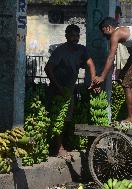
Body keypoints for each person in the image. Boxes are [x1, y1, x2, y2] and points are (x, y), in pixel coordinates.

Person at [90, 17, 132, 127]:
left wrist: (102, 76)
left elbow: (111, 57)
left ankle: (130, 118)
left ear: (108, 28)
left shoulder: (116, 33)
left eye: (104, 32)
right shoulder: (127, 33)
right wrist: (124, 71)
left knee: (127, 84)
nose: (105, 36)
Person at [44, 24, 98, 158]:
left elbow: (90, 63)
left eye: (77, 36)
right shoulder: (60, 51)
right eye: (72, 35)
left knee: (67, 120)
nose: (74, 38)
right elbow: (48, 68)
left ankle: (62, 145)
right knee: (58, 120)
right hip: (57, 90)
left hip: (69, 90)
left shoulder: (81, 50)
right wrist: (58, 87)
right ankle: (59, 148)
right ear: (66, 36)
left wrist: (94, 79)